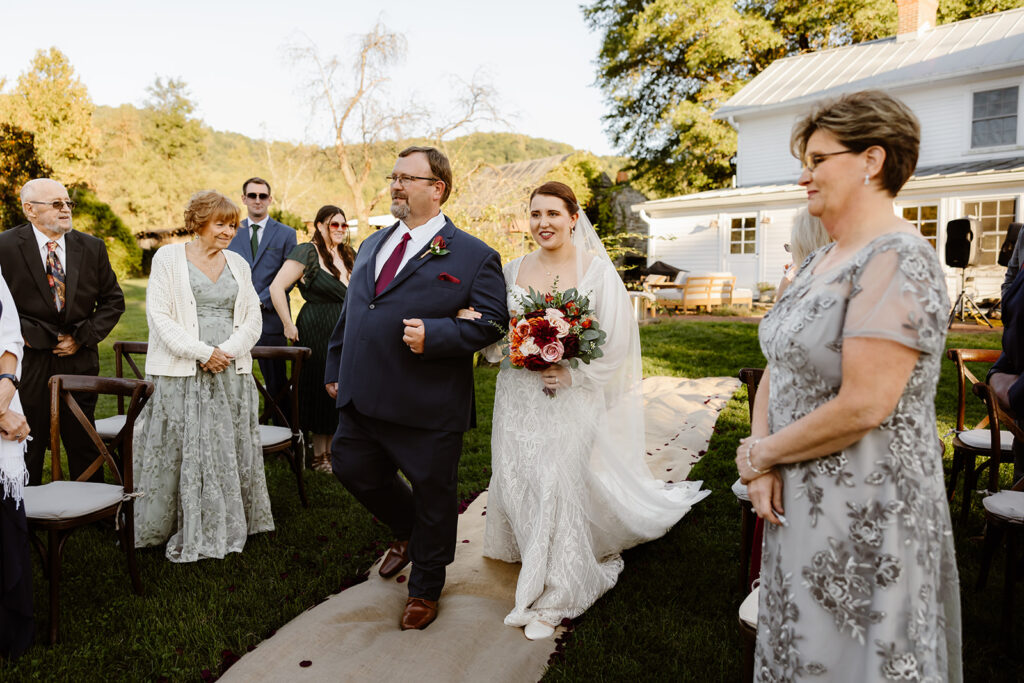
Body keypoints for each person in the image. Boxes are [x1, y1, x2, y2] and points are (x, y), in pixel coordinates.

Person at [735, 91, 961, 681]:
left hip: (864, 507)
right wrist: (760, 465)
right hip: (797, 500)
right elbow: (777, 363)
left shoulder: (898, 259)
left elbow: (865, 404)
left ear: (872, 160)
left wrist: (761, 454)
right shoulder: (820, 260)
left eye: (816, 159)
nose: (803, 175)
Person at [476, 182, 709, 641]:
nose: (543, 223)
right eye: (535, 213)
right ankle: (532, 547)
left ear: (573, 217)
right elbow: (496, 334)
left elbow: (618, 340)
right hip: (518, 396)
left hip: (571, 397)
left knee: (559, 479)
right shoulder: (511, 270)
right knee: (520, 472)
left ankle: (562, 587)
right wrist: (491, 338)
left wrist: (571, 374)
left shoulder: (596, 271)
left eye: (553, 214)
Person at [324, 146, 507, 631]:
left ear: (437, 188)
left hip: (426, 400)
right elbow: (353, 312)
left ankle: (426, 586)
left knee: (433, 493)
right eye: (394, 176)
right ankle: (408, 533)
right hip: (362, 392)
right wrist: (335, 365)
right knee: (351, 467)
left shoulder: (473, 255)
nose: (396, 185)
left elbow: (493, 322)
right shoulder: (371, 245)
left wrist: (440, 334)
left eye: (407, 178)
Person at [134, 190, 274, 562]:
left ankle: (229, 520)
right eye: (221, 224)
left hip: (230, 369)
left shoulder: (239, 264)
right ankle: (166, 527)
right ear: (199, 223)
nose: (229, 232)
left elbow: (252, 319)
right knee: (181, 447)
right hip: (182, 369)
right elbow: (159, 317)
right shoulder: (168, 258)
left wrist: (224, 352)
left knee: (227, 445)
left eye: (233, 225)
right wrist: (202, 353)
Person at [0, 178, 125, 486]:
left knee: (83, 437)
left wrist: (81, 338)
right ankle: (26, 510)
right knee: (29, 437)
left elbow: (113, 301)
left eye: (68, 203)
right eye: (56, 204)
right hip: (28, 361)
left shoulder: (92, 247)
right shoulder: (4, 246)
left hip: (79, 358)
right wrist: (23, 334)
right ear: (30, 210)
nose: (66, 209)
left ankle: (91, 506)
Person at [269, 205, 355, 472]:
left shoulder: (348, 254)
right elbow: (276, 286)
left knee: (340, 385)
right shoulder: (307, 251)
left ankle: (334, 450)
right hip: (317, 327)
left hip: (345, 328)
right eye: (334, 225)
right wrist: (286, 324)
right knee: (319, 383)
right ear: (319, 226)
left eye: (344, 225)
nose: (340, 229)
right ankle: (319, 455)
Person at [227, 177, 297, 417]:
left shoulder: (287, 234)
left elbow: (289, 276)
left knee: (277, 381)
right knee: (232, 378)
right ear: (244, 199)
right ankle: (237, 429)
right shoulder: (230, 231)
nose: (258, 200)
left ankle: (284, 433)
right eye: (253, 195)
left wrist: (259, 299)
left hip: (271, 318)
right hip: (234, 320)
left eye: (263, 196)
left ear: (270, 199)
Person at [0, 269, 33, 659]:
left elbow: (9, 335)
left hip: (6, 398)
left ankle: (12, 633)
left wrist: (5, 390)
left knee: (8, 526)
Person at [775, 208, 830, 298]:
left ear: (804, 249)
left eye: (792, 247)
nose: (792, 255)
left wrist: (786, 282)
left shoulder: (794, 284)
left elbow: (780, 311)